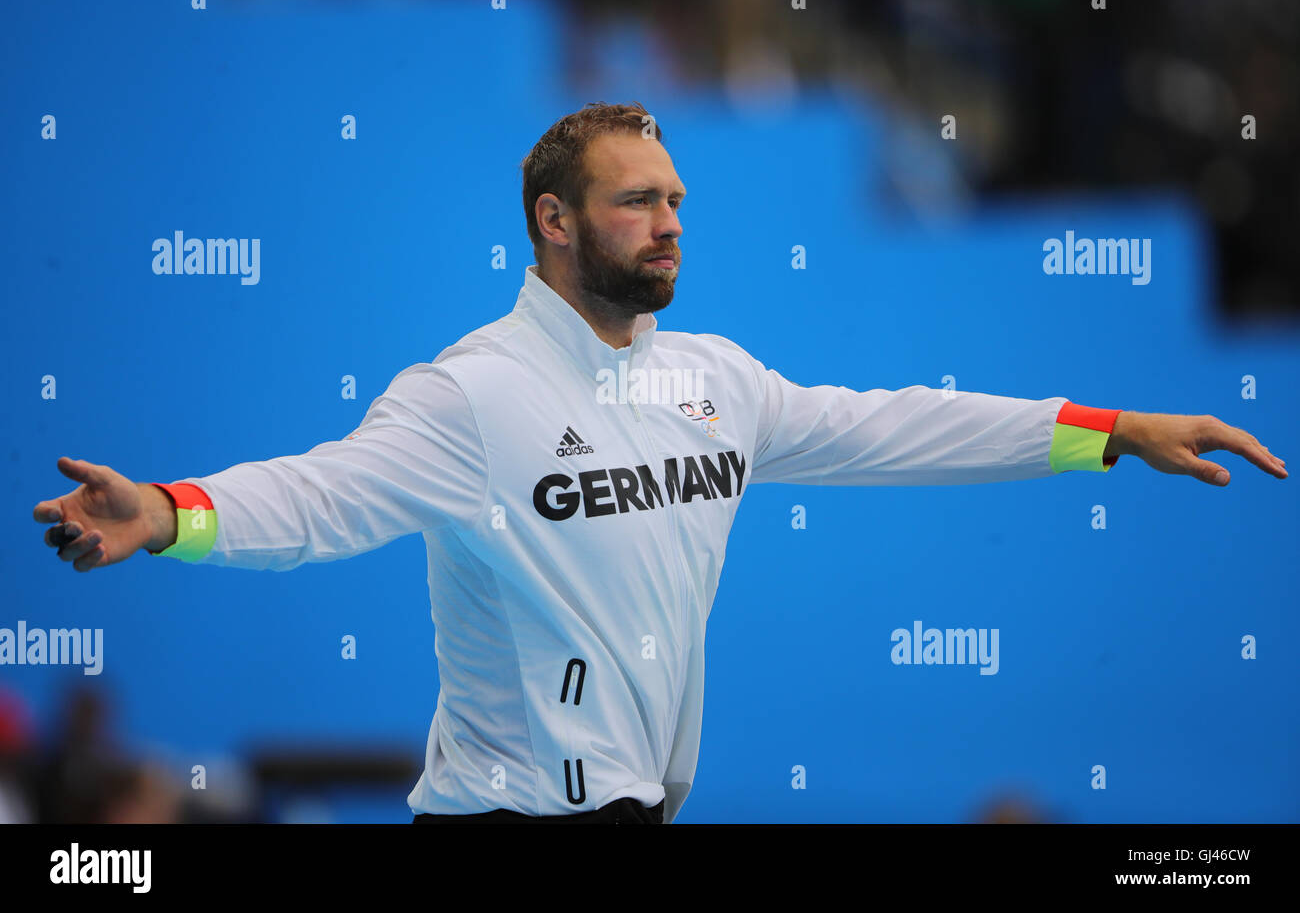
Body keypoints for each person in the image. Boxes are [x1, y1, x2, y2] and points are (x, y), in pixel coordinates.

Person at [32, 102, 1288, 824]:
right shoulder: (472, 391)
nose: (671, 220)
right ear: (555, 222)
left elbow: (898, 425)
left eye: (678, 197)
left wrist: (1110, 431)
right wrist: (169, 510)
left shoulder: (716, 382)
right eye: (637, 199)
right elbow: (320, 493)